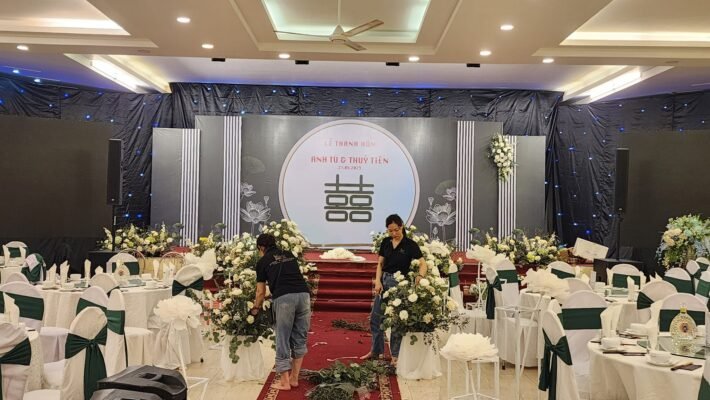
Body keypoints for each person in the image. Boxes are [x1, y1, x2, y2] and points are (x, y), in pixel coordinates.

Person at [361, 214, 428, 365]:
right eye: (390, 231)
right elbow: (380, 264)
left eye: (396, 230)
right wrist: (378, 281)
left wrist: (420, 275)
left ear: (402, 226)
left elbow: (423, 263)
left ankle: (395, 356)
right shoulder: (385, 242)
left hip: (399, 284)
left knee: (396, 321)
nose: (393, 233)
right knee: (376, 318)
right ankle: (376, 351)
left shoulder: (410, 245)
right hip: (384, 281)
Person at [251, 233, 311, 391]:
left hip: (284, 299)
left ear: (261, 247)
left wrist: (255, 308)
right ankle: (294, 378)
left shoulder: (263, 261)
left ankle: (284, 382)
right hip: (304, 295)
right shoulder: (289, 254)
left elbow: (260, 292)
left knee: (282, 338)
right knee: (300, 336)